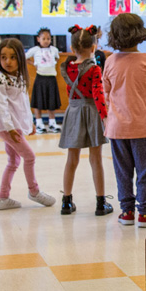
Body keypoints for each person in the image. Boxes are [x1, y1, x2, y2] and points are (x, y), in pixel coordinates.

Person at [103, 13, 146, 227]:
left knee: (123, 171)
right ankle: (145, 214)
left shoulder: (110, 61)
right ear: (140, 33)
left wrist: (114, 115)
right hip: (143, 126)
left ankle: (126, 212)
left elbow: (106, 94)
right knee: (144, 170)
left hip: (117, 129)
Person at [0, 38, 56, 210]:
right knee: (30, 156)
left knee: (13, 160)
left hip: (15, 125)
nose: (8, 62)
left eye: (12, 57)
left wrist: (30, 122)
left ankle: (3, 198)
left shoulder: (19, 77)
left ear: (20, 58)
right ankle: (34, 191)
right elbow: (1, 106)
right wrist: (10, 129)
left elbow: (23, 103)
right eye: (3, 57)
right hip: (7, 127)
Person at [59, 26, 113, 217]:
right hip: (91, 112)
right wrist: (105, 116)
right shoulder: (94, 69)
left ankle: (66, 202)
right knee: (95, 159)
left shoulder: (68, 68)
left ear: (72, 49)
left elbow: (69, 92)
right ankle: (100, 203)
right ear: (94, 47)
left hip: (73, 112)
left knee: (71, 159)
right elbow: (98, 94)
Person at [26, 28, 61, 133]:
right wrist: (34, 65)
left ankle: (52, 122)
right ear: (38, 39)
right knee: (38, 101)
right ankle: (39, 122)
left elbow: (57, 58)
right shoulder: (35, 50)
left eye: (48, 39)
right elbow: (25, 58)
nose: (46, 41)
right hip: (40, 77)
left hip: (51, 78)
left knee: (51, 101)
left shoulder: (54, 50)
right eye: (43, 38)